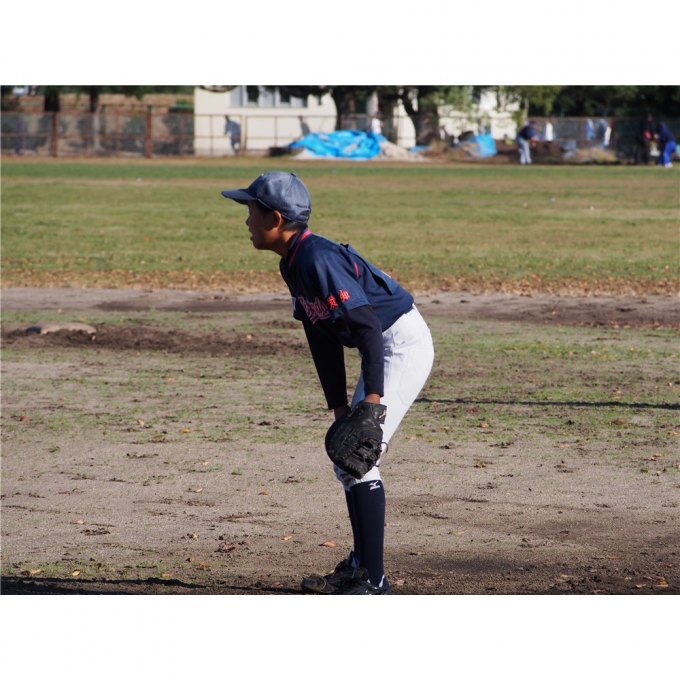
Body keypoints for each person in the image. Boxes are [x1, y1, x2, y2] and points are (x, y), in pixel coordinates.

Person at [221, 172, 434, 595]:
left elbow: (367, 328)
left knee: (358, 458)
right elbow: (320, 335)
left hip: (399, 344)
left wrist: (372, 404)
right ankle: (361, 564)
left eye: (251, 210)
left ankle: (373, 580)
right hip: (380, 344)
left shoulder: (317, 258)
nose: (246, 220)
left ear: (275, 219)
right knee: (347, 455)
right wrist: (340, 408)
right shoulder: (293, 261)